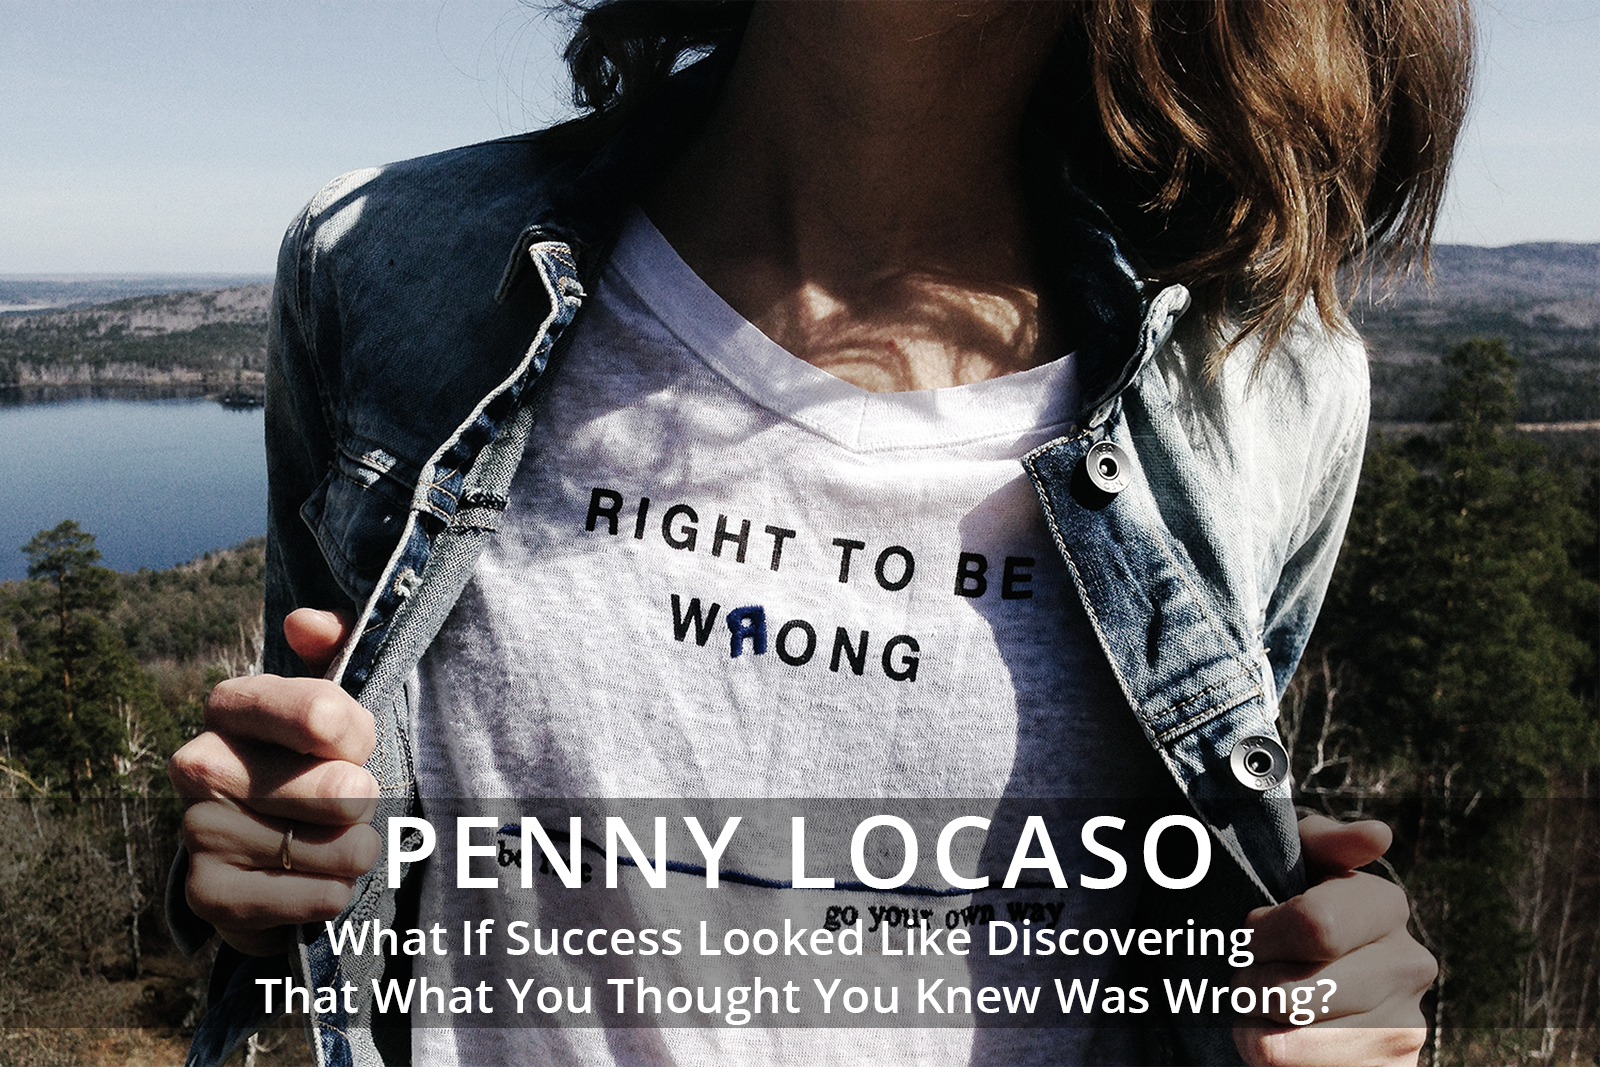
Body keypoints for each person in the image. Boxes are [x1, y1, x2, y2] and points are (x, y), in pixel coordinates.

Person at [168, 0, 1470, 1064]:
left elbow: (1186, 936)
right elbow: (303, 867)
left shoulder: (1265, 384)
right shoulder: (394, 264)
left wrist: (1315, 998)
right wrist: (262, 862)